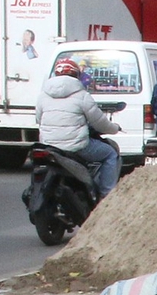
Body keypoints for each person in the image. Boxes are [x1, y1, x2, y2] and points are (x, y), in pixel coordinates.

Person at [35, 58, 120, 198]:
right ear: (76, 76)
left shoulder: (42, 96)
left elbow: (38, 119)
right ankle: (106, 197)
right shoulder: (82, 95)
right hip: (77, 147)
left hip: (49, 146)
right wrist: (115, 128)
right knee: (110, 153)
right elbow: (100, 123)